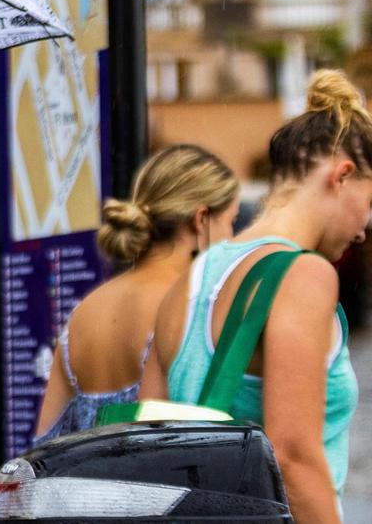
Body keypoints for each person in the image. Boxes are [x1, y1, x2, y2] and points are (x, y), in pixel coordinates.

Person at [142, 70, 366, 523]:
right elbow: (293, 460)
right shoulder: (303, 275)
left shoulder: (191, 279)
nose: (364, 229)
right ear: (342, 176)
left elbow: (150, 437)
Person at [32, 145, 239, 445]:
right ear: (201, 220)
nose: (232, 238)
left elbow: (46, 440)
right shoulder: (189, 304)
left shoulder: (85, 311)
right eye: (230, 221)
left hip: (92, 488)